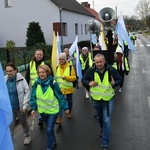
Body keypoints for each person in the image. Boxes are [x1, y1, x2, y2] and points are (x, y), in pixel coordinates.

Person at [82, 54, 122, 150]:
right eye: (97, 62)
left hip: (108, 99)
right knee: (100, 117)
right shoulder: (91, 70)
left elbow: (119, 79)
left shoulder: (111, 70)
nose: (99, 64)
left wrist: (114, 83)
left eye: (101, 62)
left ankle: (105, 144)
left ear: (104, 61)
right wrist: (88, 83)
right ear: (95, 62)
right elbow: (83, 79)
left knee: (107, 121)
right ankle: (103, 129)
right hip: (96, 99)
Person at [30, 64, 69, 150]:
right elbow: (33, 96)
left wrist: (66, 107)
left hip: (53, 111)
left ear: (47, 72)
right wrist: (33, 108)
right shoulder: (36, 83)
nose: (41, 74)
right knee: (49, 128)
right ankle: (53, 141)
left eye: (43, 72)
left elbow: (60, 96)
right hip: (42, 111)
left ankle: (49, 147)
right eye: (39, 72)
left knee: (48, 129)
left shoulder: (53, 83)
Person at [25, 49, 53, 127]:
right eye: (37, 54)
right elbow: (27, 76)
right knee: (38, 102)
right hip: (35, 87)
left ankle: (44, 116)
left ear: (43, 55)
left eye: (40, 54)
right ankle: (41, 117)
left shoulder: (46, 63)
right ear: (35, 55)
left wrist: (52, 84)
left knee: (44, 102)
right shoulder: (30, 64)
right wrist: (26, 86)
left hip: (45, 86)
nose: (39, 56)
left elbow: (51, 74)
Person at [4, 62, 31, 145]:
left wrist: (25, 105)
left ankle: (27, 136)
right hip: (9, 109)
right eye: (7, 71)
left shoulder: (21, 79)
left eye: (11, 71)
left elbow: (27, 92)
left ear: (15, 70)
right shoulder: (4, 80)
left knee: (24, 123)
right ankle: (9, 143)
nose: (9, 73)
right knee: (10, 126)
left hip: (20, 108)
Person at [55, 53, 76, 126]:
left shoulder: (70, 67)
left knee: (69, 101)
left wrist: (66, 77)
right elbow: (56, 78)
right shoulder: (57, 67)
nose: (60, 61)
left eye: (62, 59)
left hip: (68, 88)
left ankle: (69, 111)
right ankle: (59, 118)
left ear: (65, 59)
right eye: (59, 59)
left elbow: (74, 77)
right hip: (60, 89)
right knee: (60, 104)